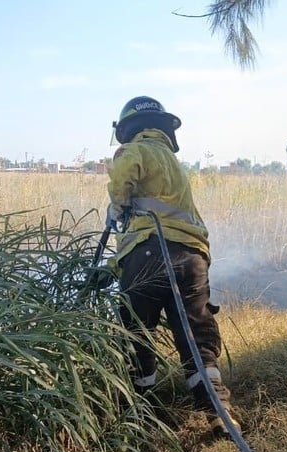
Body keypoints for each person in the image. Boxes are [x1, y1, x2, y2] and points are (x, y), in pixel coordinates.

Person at [86, 96, 237, 434]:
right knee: (196, 334)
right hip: (192, 260)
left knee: (136, 332)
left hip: (148, 257)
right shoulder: (174, 165)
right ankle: (220, 412)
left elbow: (144, 235)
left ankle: (138, 414)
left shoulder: (134, 151)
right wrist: (112, 267)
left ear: (129, 129)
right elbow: (169, 230)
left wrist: (117, 205)